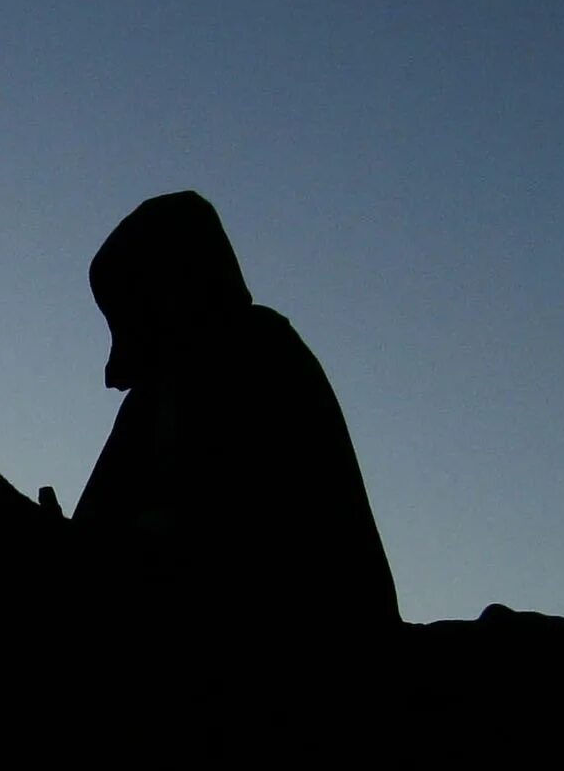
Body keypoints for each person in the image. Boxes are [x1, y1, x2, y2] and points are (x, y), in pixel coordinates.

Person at [73, 191, 400, 698]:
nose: (115, 374)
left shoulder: (258, 354)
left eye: (130, 312)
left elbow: (227, 536)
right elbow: (93, 534)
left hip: (299, 668)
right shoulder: (155, 399)